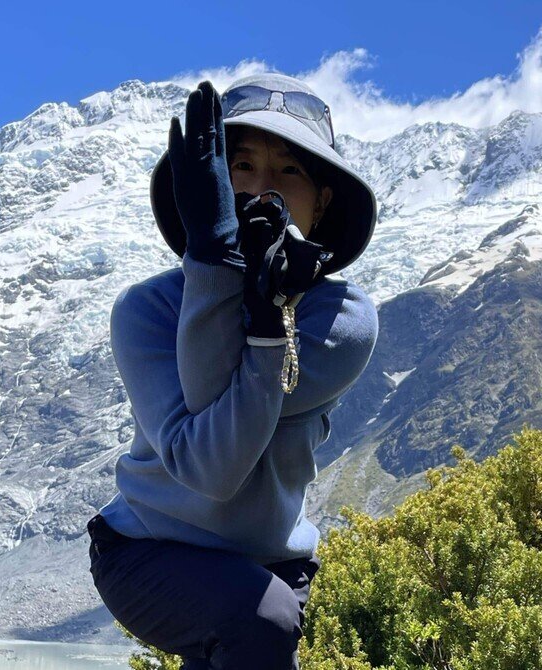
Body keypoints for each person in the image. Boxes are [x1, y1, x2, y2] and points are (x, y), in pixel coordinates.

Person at [84, 72, 380, 669]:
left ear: (321, 204)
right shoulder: (146, 311)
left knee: (257, 622)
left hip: (268, 560)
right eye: (239, 167)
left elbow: (218, 416)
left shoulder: (340, 319)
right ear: (208, 185)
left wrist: (264, 309)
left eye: (290, 172)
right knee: (261, 621)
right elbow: (208, 467)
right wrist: (219, 259)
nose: (261, 191)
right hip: (149, 549)